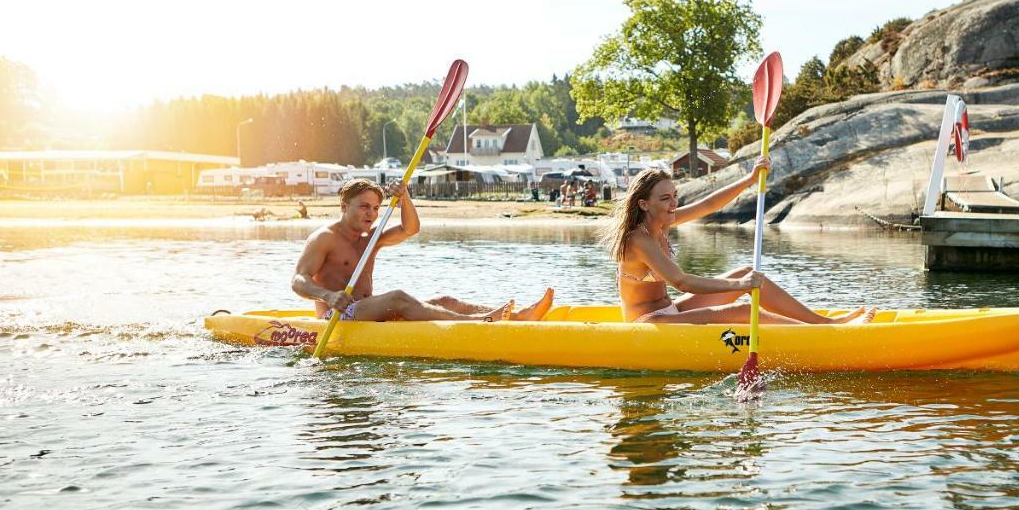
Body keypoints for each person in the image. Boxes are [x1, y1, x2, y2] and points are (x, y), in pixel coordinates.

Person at [604, 164, 875, 325]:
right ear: (644, 204)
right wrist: (739, 287)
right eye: (665, 198)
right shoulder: (638, 239)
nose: (673, 203)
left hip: (671, 310)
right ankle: (829, 334)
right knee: (743, 308)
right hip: (648, 323)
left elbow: (709, 204)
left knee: (748, 272)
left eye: (675, 196)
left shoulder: (662, 222)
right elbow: (681, 282)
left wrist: (750, 179)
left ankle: (826, 324)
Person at [292, 178, 553, 322]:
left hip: (367, 310)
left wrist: (404, 197)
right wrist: (327, 296)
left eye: (375, 208)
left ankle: (519, 317)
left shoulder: (371, 238)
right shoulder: (324, 238)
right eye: (363, 206)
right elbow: (298, 280)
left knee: (446, 301)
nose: (371, 213)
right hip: (336, 317)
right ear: (344, 206)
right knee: (397, 297)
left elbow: (410, 228)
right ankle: (481, 321)